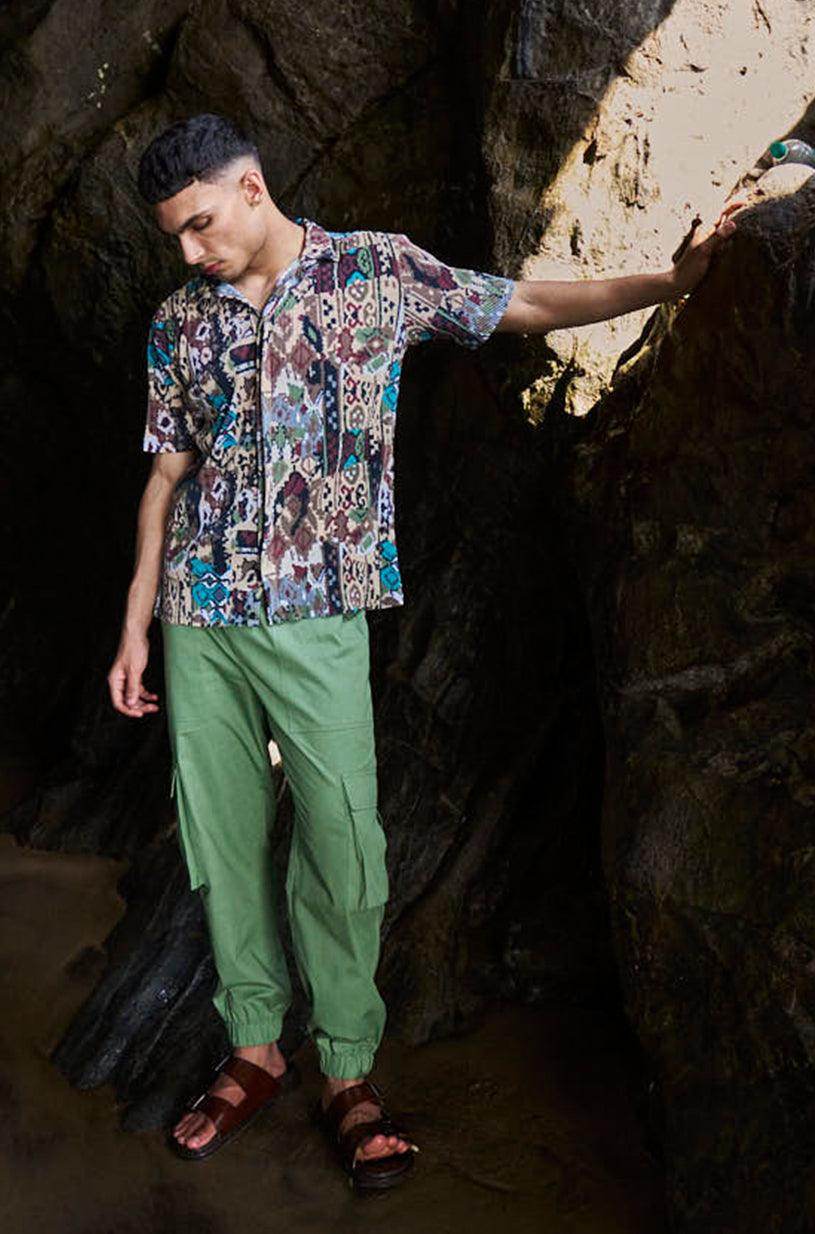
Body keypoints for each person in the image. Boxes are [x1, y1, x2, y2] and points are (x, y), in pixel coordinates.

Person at [107, 112, 740, 1191]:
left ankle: (347, 1071)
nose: (190, 250)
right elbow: (167, 472)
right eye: (175, 236)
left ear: (251, 189)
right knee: (220, 841)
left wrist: (668, 285)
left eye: (200, 224)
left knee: (345, 846)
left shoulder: (374, 275)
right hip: (198, 615)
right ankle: (254, 1050)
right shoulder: (180, 321)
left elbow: (519, 303)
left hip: (317, 617)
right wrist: (135, 622)